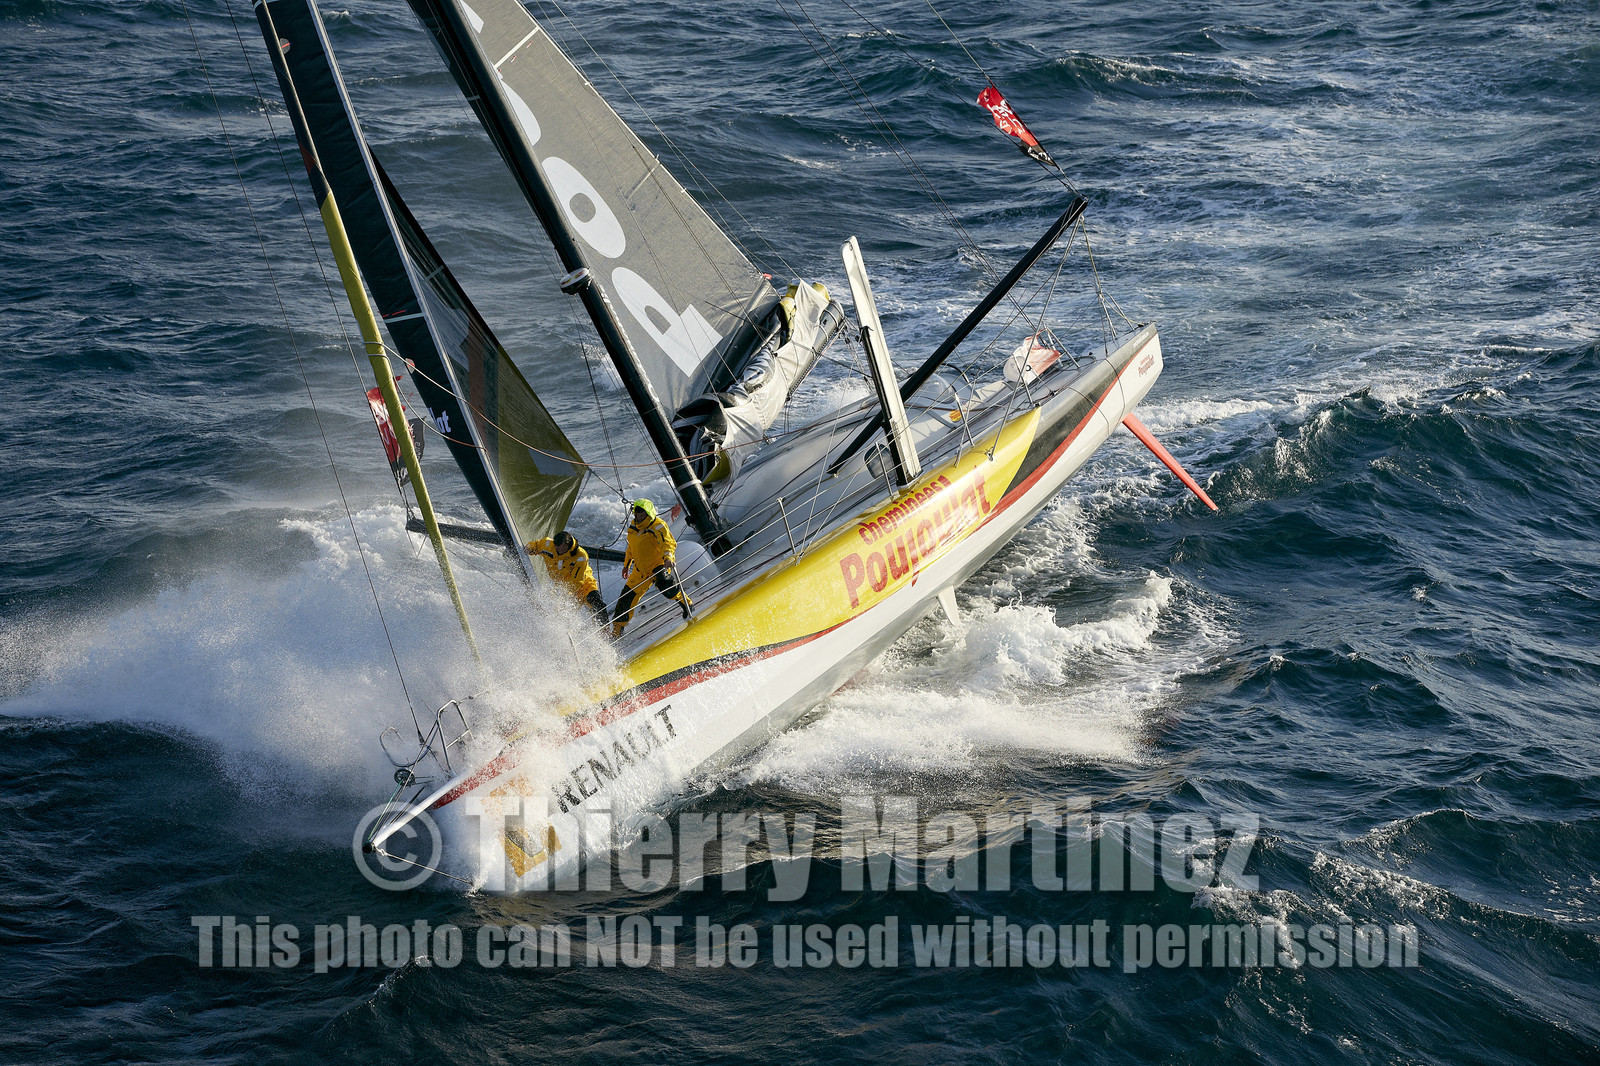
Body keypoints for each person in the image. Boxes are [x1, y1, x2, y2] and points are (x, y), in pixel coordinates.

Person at [610, 499, 692, 639]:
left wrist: (668, 558)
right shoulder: (633, 527)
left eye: (642, 513)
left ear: (648, 513)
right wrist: (626, 565)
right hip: (640, 570)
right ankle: (617, 631)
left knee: (666, 585)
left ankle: (687, 604)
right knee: (625, 600)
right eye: (637, 513)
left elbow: (668, 543)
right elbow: (631, 548)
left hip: (657, 564)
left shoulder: (658, 525)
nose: (639, 516)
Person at [526, 530, 608, 626]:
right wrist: (529, 548)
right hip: (563, 587)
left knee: (598, 605)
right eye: (557, 548)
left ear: (568, 545)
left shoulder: (581, 556)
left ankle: (604, 630)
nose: (559, 552)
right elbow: (536, 545)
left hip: (584, 583)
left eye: (563, 549)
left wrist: (566, 595)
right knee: (563, 616)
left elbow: (577, 581)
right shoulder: (548, 544)